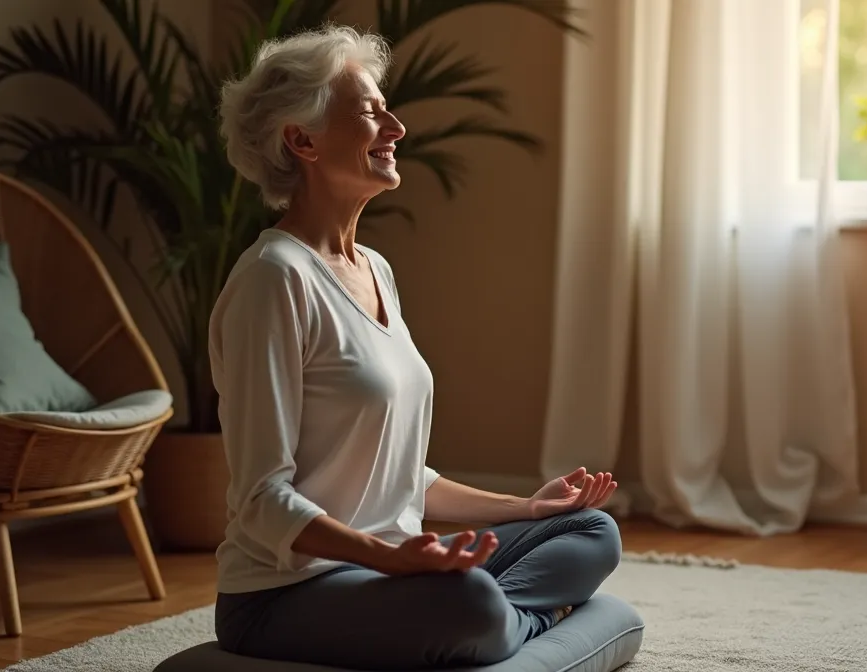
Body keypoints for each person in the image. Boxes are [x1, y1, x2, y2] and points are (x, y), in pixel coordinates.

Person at [208, 23, 622, 670]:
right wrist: (388, 558)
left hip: (390, 571)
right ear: (302, 139)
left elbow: (404, 481)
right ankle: (520, 620)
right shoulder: (274, 280)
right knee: (470, 603)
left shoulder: (375, 267)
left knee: (589, 531)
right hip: (287, 592)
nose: (397, 127)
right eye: (372, 113)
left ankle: (504, 622)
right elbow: (263, 500)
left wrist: (530, 505)